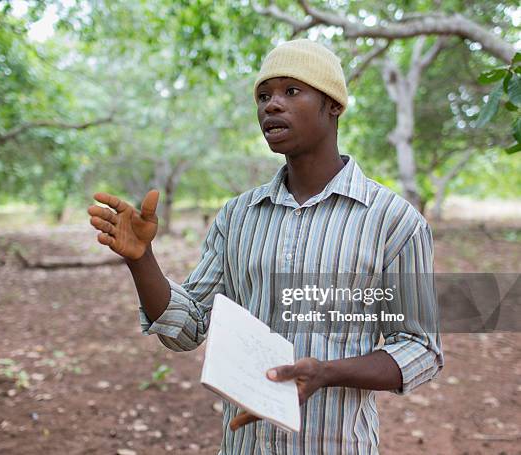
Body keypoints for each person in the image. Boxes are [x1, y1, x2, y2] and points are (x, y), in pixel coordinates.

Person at [87, 39, 444, 455]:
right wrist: (142, 260)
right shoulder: (237, 217)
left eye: (291, 91)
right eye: (263, 95)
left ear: (333, 106)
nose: (271, 105)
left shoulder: (392, 221)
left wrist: (326, 373)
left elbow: (420, 349)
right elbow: (189, 328)